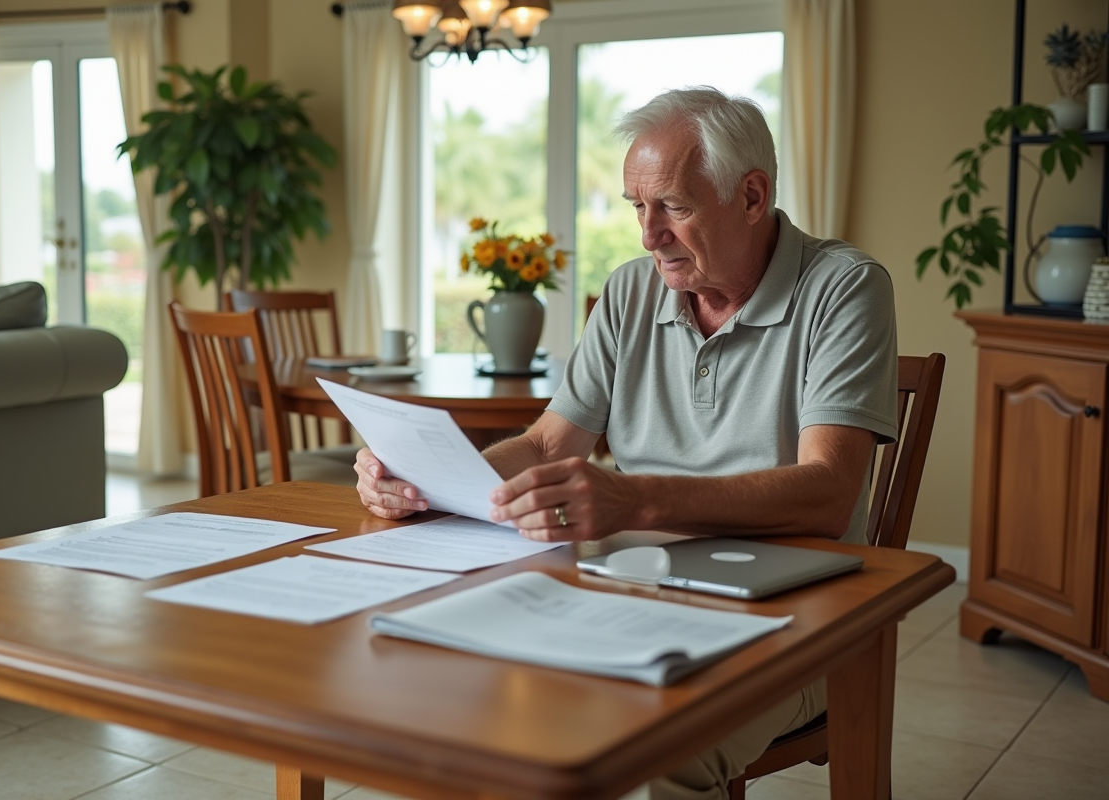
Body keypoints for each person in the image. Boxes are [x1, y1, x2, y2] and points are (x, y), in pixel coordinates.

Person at [354, 86, 899, 800]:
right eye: (636, 207)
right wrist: (434, 480)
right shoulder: (629, 292)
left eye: (673, 205)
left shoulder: (844, 287)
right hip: (629, 588)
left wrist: (634, 498)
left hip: (798, 615)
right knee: (461, 692)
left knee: (638, 753)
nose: (648, 235)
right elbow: (550, 445)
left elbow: (828, 493)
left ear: (753, 195)